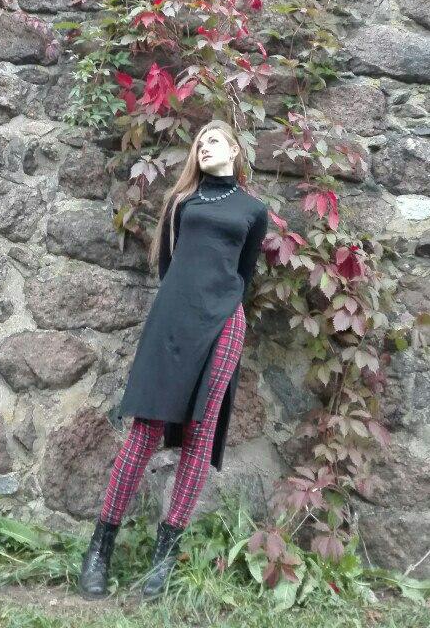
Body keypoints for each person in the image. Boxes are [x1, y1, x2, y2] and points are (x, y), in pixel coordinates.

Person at [78, 118, 269, 600]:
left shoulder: (254, 210)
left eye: (214, 140)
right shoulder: (182, 202)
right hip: (174, 319)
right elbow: (169, 268)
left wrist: (218, 306)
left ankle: (165, 557)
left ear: (235, 151)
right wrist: (181, 310)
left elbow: (243, 275)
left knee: (200, 434)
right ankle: (100, 549)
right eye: (200, 142)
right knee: (145, 428)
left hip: (224, 324)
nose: (204, 147)